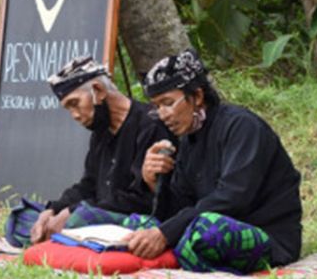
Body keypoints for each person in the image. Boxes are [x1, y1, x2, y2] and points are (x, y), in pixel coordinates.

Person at [123, 49, 302, 274]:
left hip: (268, 236)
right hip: (204, 227)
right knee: (137, 224)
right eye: (157, 107)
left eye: (167, 103)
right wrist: (153, 181)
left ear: (197, 96)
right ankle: (182, 257)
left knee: (207, 230)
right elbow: (180, 207)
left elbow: (233, 199)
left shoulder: (242, 126)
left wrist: (166, 234)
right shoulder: (188, 138)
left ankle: (180, 257)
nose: (163, 114)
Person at [4, 56, 169, 247]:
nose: (74, 115)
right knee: (24, 217)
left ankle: (62, 238)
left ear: (98, 91)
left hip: (133, 219)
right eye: (68, 109)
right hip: (93, 212)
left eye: (75, 103)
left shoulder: (150, 125)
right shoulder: (101, 130)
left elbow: (141, 198)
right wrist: (53, 210)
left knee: (79, 219)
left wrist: (73, 211)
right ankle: (60, 237)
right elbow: (88, 185)